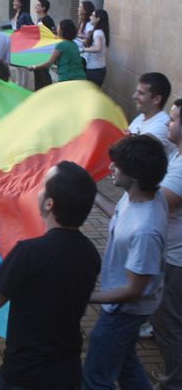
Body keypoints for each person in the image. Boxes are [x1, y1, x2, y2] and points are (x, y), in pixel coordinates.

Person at [0, 161, 100, 389]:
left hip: (25, 376)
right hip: (67, 373)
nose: (37, 191)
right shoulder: (90, 254)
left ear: (49, 204)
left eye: (41, 186)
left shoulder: (29, 253)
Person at [82, 135, 168, 389]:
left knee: (95, 377)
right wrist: (93, 194)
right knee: (126, 363)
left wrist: (88, 296)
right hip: (127, 308)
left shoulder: (145, 230)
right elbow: (120, 218)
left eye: (116, 165)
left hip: (124, 311)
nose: (110, 168)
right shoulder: (140, 196)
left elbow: (133, 291)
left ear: (135, 173)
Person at [152, 98, 182, 389]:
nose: (168, 123)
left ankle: (174, 381)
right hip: (171, 254)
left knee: (169, 324)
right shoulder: (176, 155)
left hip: (176, 260)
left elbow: (156, 205)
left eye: (173, 120)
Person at [27, 19, 85, 83]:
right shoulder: (74, 44)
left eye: (58, 28)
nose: (57, 30)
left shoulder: (61, 45)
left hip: (67, 78)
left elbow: (48, 63)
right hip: (80, 77)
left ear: (62, 31)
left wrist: (33, 67)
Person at [127, 72, 174, 152]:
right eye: (136, 91)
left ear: (156, 99)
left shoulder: (162, 125)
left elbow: (136, 156)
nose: (134, 96)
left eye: (141, 93)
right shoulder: (142, 117)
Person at [82, 9, 110, 87]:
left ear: (98, 19)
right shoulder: (101, 31)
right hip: (99, 68)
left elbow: (98, 48)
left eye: (92, 15)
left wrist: (84, 49)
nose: (90, 17)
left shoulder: (97, 32)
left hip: (95, 69)